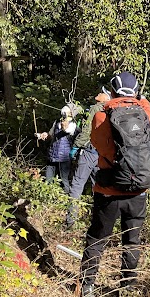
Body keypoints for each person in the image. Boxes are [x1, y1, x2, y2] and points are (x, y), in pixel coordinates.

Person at [79, 71, 150, 297]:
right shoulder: (144, 114)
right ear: (136, 92)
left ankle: (87, 286)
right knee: (132, 241)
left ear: (112, 90)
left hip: (108, 192)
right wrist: (139, 100)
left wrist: (108, 103)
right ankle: (127, 287)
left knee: (97, 238)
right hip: (138, 190)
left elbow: (97, 143)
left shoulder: (101, 117)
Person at [65, 87, 111, 229]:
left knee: (77, 184)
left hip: (89, 151)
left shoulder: (96, 108)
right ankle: (99, 222)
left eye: (102, 93)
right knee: (98, 187)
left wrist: (75, 146)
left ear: (106, 98)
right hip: (102, 154)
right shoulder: (112, 110)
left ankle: (71, 222)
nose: (98, 93)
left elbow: (86, 131)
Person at [36, 105, 78, 192]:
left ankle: (67, 196)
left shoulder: (73, 124)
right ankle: (47, 194)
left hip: (64, 156)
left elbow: (67, 131)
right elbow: (51, 134)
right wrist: (44, 135)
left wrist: (64, 125)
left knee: (63, 179)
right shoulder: (57, 122)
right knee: (48, 178)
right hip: (53, 154)